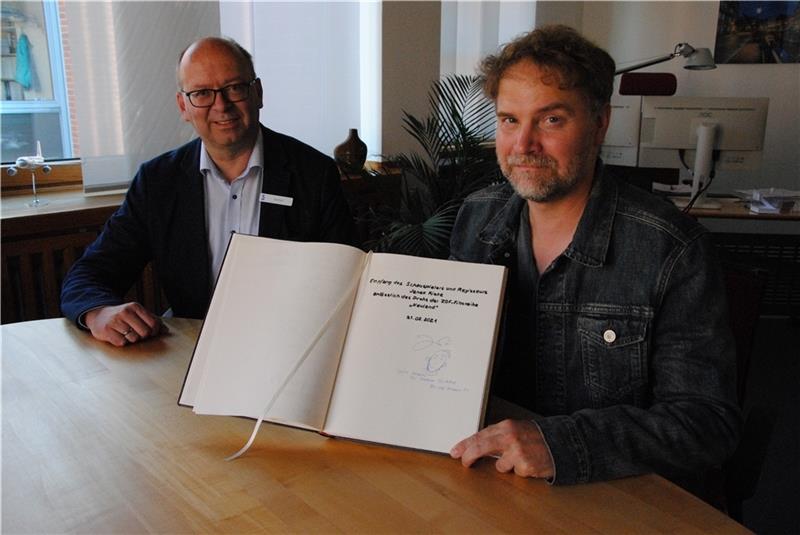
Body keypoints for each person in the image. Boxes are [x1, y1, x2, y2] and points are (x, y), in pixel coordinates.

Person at [448, 25, 740, 495]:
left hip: (615, 497)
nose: (523, 146)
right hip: (494, 483)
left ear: (600, 122)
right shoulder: (476, 219)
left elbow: (706, 424)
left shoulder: (671, 248)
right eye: (508, 120)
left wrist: (560, 443)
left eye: (551, 120)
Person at [61, 37, 357, 347]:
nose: (221, 105)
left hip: (286, 347)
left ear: (257, 93)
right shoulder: (158, 181)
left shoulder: (314, 174)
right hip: (193, 348)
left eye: (234, 88)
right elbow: (90, 273)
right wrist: (99, 312)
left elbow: (345, 282)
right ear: (183, 106)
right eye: (202, 93)